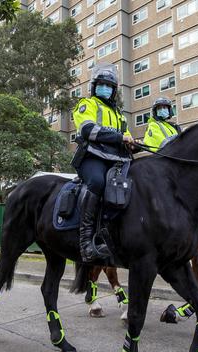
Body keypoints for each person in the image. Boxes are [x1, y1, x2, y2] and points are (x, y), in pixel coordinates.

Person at [72, 64, 134, 262]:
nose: (105, 88)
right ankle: (85, 243)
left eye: (109, 85)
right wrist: (119, 137)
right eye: (102, 84)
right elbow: (88, 130)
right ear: (94, 86)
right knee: (98, 182)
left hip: (116, 160)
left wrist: (134, 144)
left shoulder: (119, 115)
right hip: (92, 157)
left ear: (114, 90)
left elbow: (126, 137)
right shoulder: (87, 104)